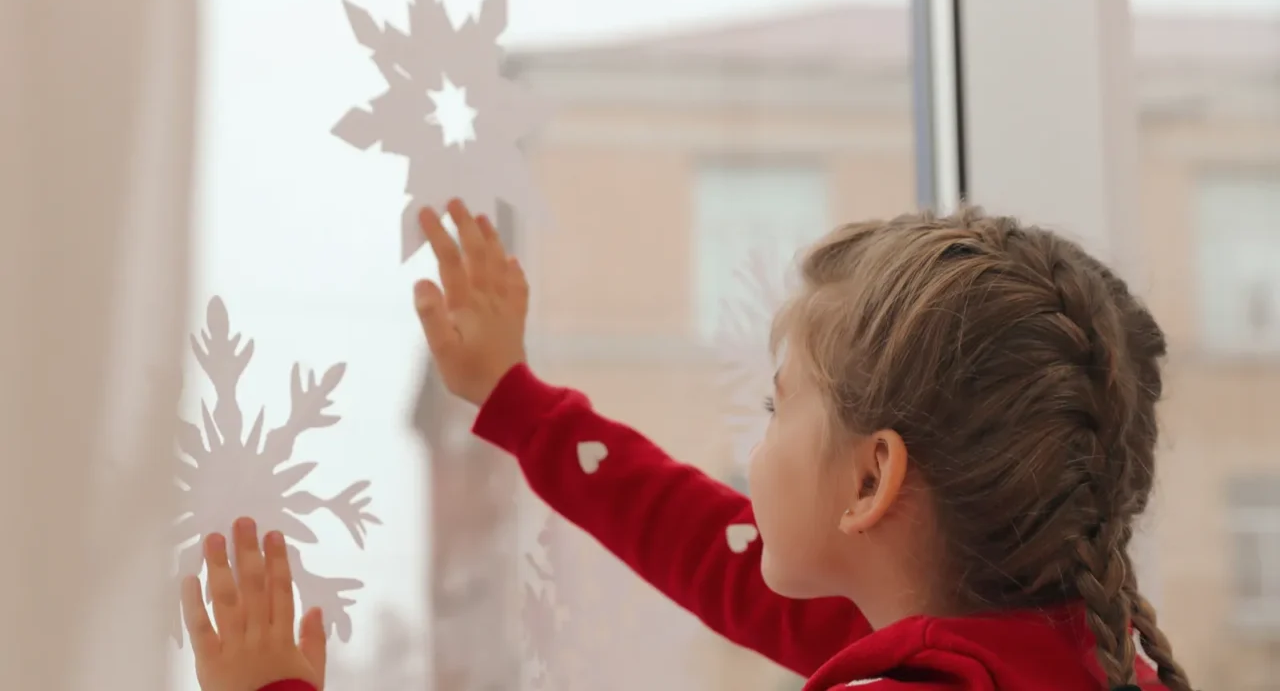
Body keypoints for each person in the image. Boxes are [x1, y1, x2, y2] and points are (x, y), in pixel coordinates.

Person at [186, 199, 1194, 690]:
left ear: (871, 477)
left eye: (774, 405)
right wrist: (515, 401)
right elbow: (706, 546)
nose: (748, 450)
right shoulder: (1080, 662)